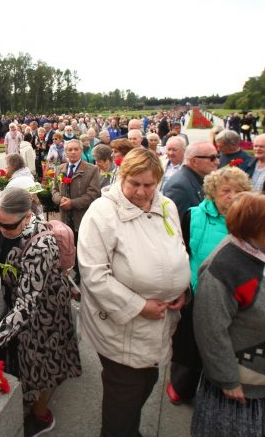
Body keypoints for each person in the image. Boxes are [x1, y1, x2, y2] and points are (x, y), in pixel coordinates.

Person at [77, 148, 190, 437]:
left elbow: (179, 250)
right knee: (124, 394)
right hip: (122, 327)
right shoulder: (101, 214)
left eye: (149, 185)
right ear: (120, 178)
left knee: (147, 379)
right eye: (134, 184)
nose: (141, 192)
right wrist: (139, 305)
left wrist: (182, 288)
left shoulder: (166, 206)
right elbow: (94, 275)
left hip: (160, 321)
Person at [0, 187, 81, 437]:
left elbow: (28, 304)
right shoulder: (8, 225)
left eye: (8, 226)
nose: (2, 230)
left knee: (37, 363)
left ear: (27, 217)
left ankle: (42, 417)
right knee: (21, 358)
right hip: (16, 307)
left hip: (42, 313)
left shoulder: (41, 245)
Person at [191, 193, 265, 437]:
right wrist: (227, 379)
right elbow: (210, 330)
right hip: (244, 391)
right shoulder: (223, 269)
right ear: (255, 230)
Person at [167, 167, 252, 405]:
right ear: (212, 192)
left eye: (239, 191)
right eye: (226, 190)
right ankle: (181, 384)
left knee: (225, 342)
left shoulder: (251, 220)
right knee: (189, 343)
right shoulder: (193, 215)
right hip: (196, 290)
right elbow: (181, 252)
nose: (232, 196)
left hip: (235, 295)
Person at [50, 139, 102, 249]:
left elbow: (94, 194)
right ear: (66, 152)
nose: (73, 152)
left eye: (76, 149)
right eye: (70, 150)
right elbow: (54, 190)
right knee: (67, 247)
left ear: (81, 151)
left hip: (82, 217)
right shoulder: (60, 169)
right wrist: (60, 200)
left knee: (82, 248)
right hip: (64, 217)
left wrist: (73, 203)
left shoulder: (92, 169)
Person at [162, 141, 220, 218]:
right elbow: (176, 223)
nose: (217, 162)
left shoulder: (196, 178)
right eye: (212, 158)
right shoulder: (179, 187)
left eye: (218, 156)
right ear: (194, 161)